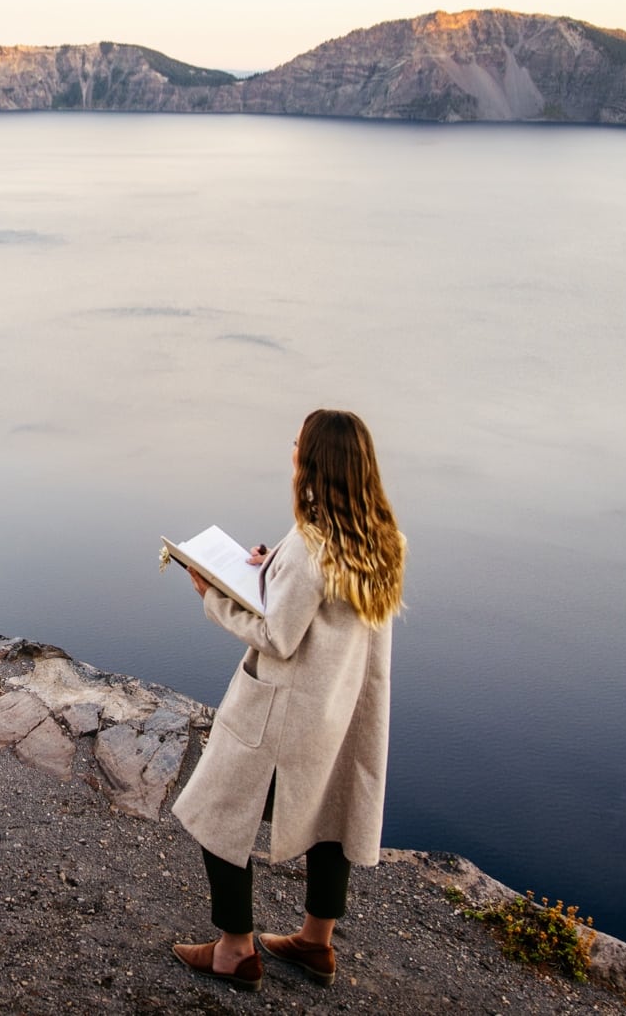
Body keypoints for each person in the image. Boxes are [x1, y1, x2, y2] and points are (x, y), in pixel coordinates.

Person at [168, 409, 405, 992]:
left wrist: (213, 595)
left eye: (298, 447)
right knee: (332, 819)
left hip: (281, 713)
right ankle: (315, 944)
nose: (292, 454)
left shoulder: (312, 545)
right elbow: (325, 611)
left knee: (218, 812)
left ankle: (234, 950)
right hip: (341, 712)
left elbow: (278, 636)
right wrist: (270, 566)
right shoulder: (382, 542)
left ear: (314, 466)